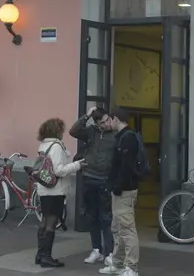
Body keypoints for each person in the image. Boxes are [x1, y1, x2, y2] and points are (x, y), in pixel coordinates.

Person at [26, 117, 84, 268]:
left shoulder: (44, 145)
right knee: (51, 222)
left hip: (44, 188)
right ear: (57, 130)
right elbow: (59, 170)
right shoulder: (57, 146)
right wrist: (77, 165)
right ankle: (46, 256)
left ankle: (40, 254)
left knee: (44, 221)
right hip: (55, 189)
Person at [100, 109, 144, 276]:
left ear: (116, 118)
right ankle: (118, 263)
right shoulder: (122, 137)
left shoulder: (128, 138)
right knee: (117, 228)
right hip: (119, 190)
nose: (108, 124)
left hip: (125, 190)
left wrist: (117, 185)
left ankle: (132, 267)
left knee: (126, 229)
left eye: (109, 120)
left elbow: (126, 166)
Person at [71, 106, 117, 266]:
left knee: (106, 217)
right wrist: (87, 115)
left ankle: (109, 252)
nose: (106, 124)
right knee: (92, 216)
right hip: (89, 177)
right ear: (97, 123)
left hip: (105, 180)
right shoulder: (91, 131)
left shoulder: (116, 135)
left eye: (108, 120)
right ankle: (96, 250)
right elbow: (74, 131)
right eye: (103, 122)